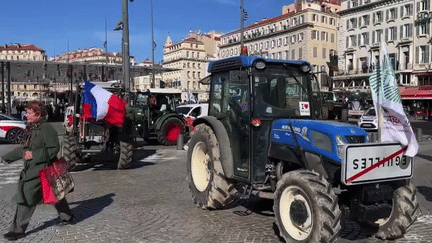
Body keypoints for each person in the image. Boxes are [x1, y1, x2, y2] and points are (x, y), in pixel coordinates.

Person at [1, 101, 75, 241]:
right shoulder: (31, 129)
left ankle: (18, 230)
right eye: (27, 112)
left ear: (38, 114)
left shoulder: (46, 129)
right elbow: (24, 150)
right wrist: (5, 158)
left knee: (27, 196)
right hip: (33, 168)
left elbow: (54, 149)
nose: (26, 115)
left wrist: (34, 155)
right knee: (55, 192)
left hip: (42, 169)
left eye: (29, 113)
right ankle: (67, 216)